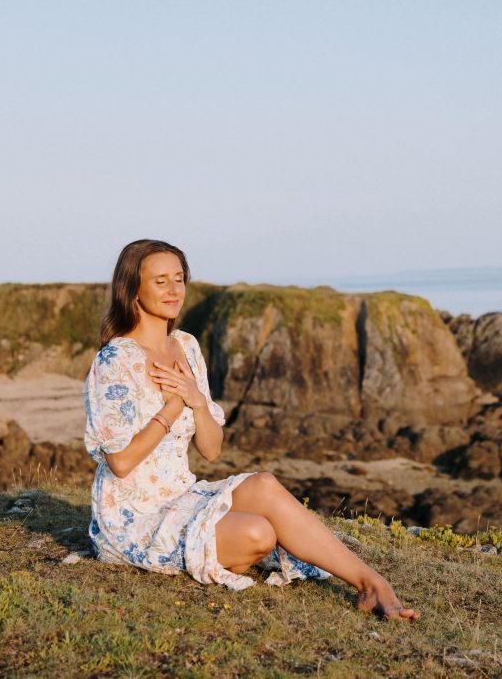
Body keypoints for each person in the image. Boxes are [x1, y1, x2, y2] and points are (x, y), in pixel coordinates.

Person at [83, 239, 418, 620]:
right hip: (133, 517)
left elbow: (211, 449)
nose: (175, 290)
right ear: (132, 289)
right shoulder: (115, 360)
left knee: (265, 485)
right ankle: (224, 554)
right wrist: (172, 407)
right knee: (258, 533)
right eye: (161, 281)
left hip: (180, 494)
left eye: (179, 279)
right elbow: (121, 462)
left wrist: (194, 398)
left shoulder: (186, 347)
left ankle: (371, 583)